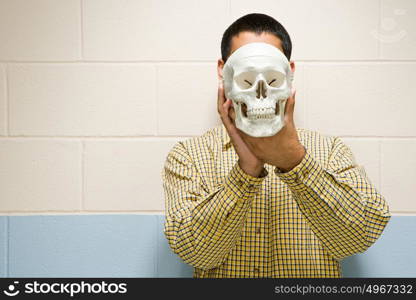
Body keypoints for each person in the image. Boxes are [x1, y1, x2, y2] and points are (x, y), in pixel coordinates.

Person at [161, 13, 391, 278]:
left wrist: (296, 161)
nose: (260, 91)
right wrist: (245, 173)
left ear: (289, 72)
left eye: (271, 79)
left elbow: (359, 238)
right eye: (247, 79)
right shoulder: (188, 156)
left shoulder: (329, 151)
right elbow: (195, 253)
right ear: (223, 71)